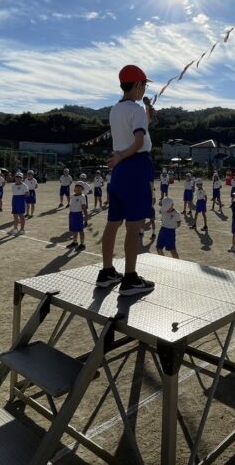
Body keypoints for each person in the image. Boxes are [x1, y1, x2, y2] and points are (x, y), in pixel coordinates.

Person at [97, 64, 156, 296]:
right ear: (138, 85)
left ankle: (107, 272)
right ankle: (130, 279)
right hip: (135, 166)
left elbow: (137, 129)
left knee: (113, 223)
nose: (144, 90)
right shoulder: (137, 109)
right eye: (144, 85)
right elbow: (139, 141)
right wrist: (124, 154)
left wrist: (120, 155)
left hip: (120, 171)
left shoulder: (115, 109)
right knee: (134, 226)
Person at [65, 182, 88, 251]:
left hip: (78, 215)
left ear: (82, 189)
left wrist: (86, 217)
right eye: (76, 187)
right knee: (74, 230)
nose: (77, 188)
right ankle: (75, 242)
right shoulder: (73, 196)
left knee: (80, 230)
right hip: (72, 214)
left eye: (79, 187)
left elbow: (84, 207)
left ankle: (82, 244)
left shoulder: (82, 196)